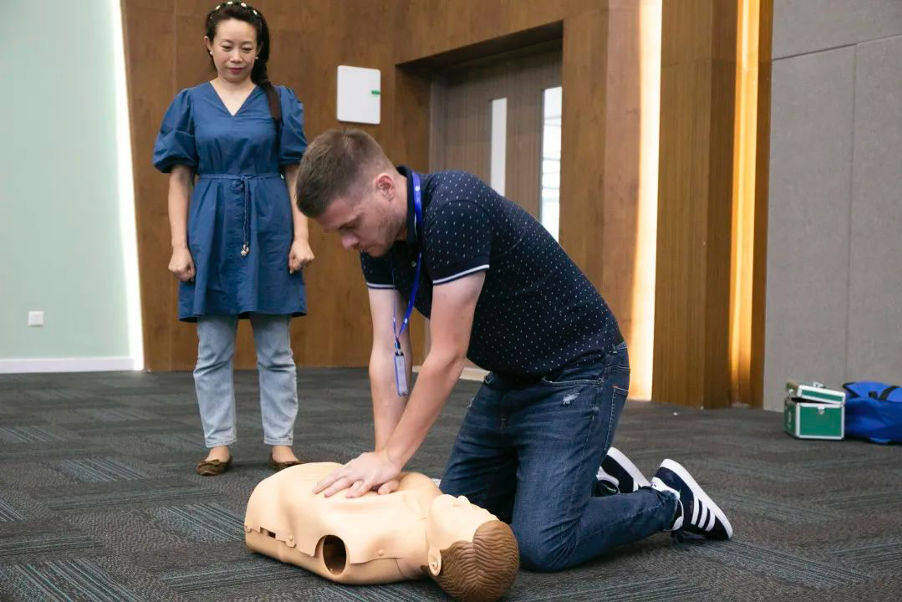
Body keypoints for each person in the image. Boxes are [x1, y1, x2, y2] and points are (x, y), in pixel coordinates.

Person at [293, 129, 733, 571]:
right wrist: (382, 464)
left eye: (350, 226)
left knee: (541, 544)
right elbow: (388, 349)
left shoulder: (455, 208)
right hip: (510, 379)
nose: (348, 243)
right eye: (338, 233)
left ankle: (669, 500)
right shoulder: (379, 242)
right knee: (458, 518)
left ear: (385, 187)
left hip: (580, 371)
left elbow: (446, 357)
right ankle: (595, 483)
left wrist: (392, 459)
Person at [153, 1, 312, 476]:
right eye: (227, 46)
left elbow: (295, 175)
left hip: (270, 225)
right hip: (211, 226)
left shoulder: (280, 100)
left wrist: (301, 236)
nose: (236, 56)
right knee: (213, 349)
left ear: (259, 49)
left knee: (276, 350)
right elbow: (179, 179)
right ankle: (218, 442)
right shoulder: (189, 102)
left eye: (247, 47)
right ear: (209, 45)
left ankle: (281, 442)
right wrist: (179, 246)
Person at [244, 462, 519, 601]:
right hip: (313, 481)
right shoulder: (429, 500)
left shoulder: (363, 548)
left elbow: (310, 521)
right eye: (473, 507)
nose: (462, 500)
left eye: (460, 513)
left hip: (275, 497)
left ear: (435, 560)